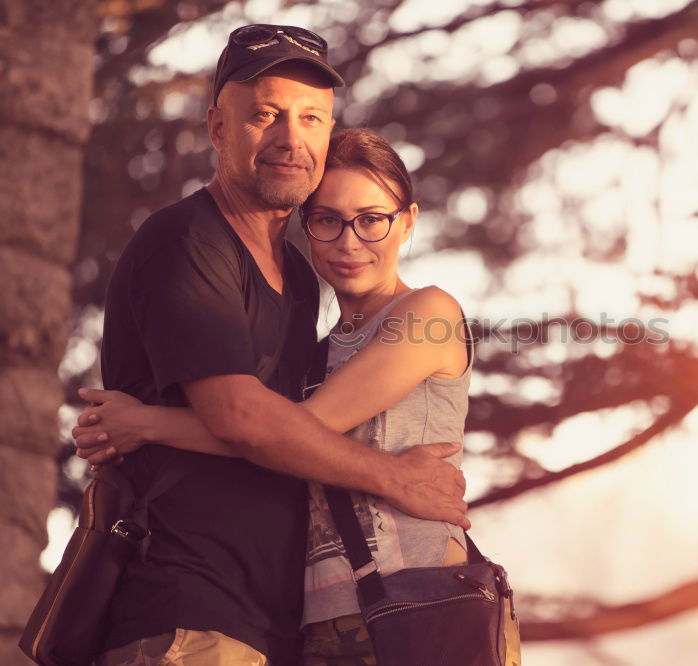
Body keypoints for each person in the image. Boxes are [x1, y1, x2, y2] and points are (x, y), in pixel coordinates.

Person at [76, 25, 469, 666]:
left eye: (312, 118)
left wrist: (147, 423)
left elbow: (291, 432)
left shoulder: (299, 286)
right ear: (217, 126)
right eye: (266, 114)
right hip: (187, 610)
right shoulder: (187, 242)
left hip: (284, 626)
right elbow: (246, 421)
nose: (291, 137)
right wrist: (396, 478)